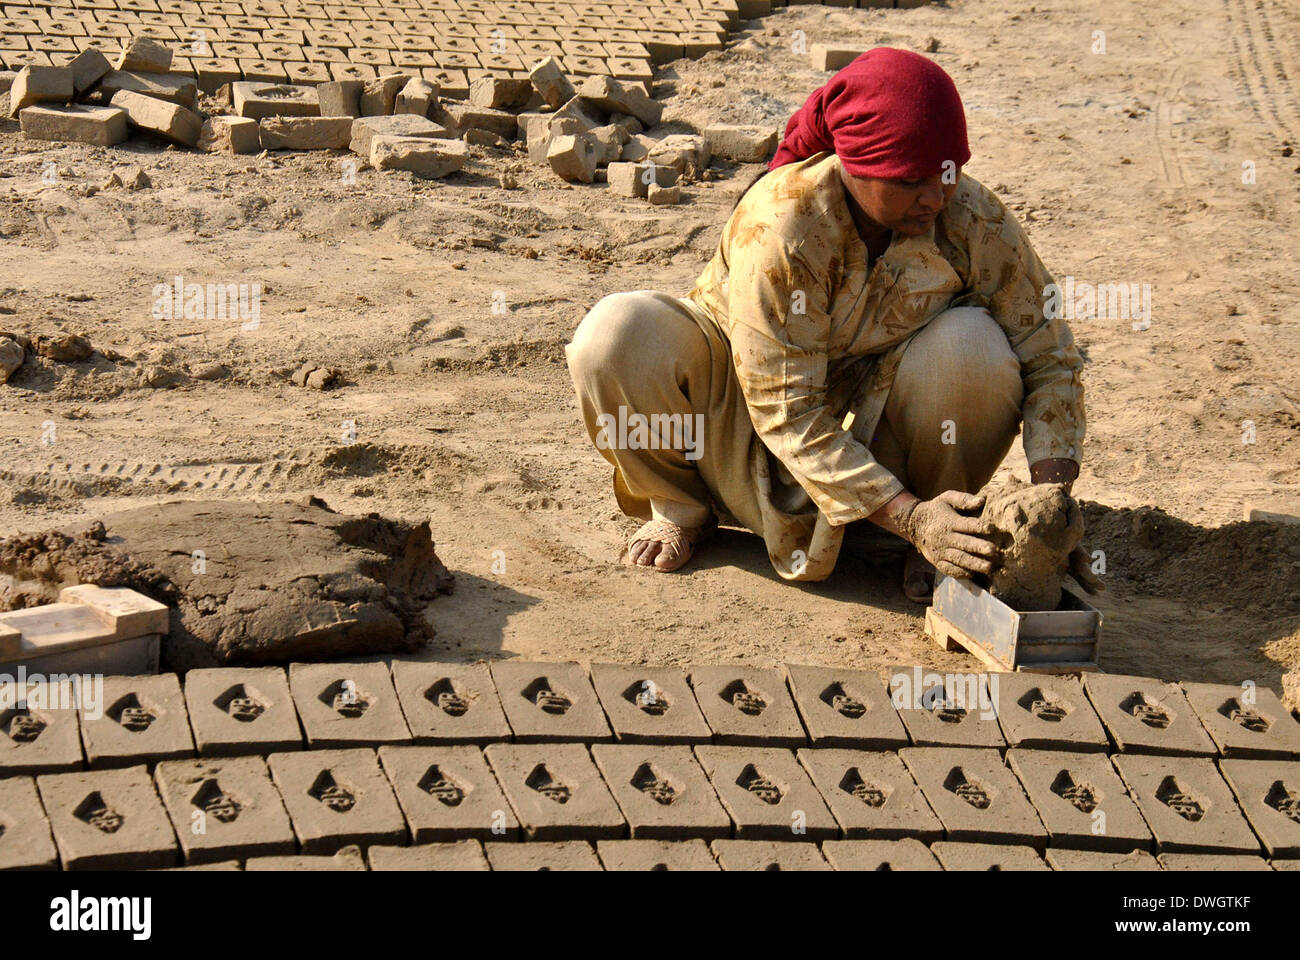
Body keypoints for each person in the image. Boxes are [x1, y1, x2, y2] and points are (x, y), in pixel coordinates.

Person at [566, 47, 1096, 602]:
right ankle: (683, 506)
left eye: (948, 173)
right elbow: (785, 409)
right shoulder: (783, 225)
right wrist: (912, 518)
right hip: (741, 420)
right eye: (911, 181)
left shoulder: (972, 218)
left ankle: (949, 526)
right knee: (615, 335)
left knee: (974, 348)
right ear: (856, 166)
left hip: (879, 424)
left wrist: (1051, 506)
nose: (936, 197)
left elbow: (1050, 356)